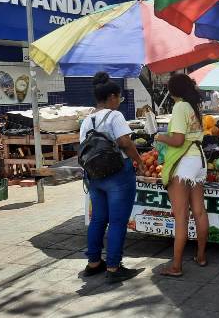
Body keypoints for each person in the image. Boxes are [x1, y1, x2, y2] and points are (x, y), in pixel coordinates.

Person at [80, 72, 145, 284]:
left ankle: (93, 263)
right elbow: (125, 142)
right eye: (119, 97)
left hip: (94, 176)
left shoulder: (86, 120)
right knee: (117, 221)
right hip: (118, 175)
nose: (119, 101)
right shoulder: (114, 116)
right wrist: (139, 161)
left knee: (98, 219)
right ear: (111, 97)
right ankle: (114, 267)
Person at [156, 74, 209, 276]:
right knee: (199, 212)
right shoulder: (194, 107)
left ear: (172, 91)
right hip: (199, 161)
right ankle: (201, 256)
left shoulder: (179, 107)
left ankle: (176, 266)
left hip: (184, 162)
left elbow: (177, 140)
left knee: (181, 216)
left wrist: (160, 136)